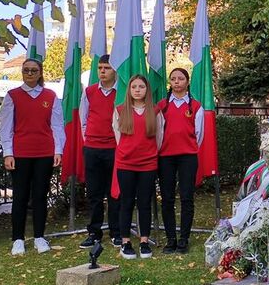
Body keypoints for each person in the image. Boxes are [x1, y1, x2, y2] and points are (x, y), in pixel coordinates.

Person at [0, 58, 64, 256]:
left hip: (44, 153)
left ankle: (39, 237)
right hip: (20, 154)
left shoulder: (50, 96)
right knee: (20, 196)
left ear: (40, 73)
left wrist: (58, 150)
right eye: (26, 70)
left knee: (40, 196)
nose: (29, 73)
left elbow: (57, 125)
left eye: (33, 70)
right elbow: (6, 126)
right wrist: (8, 153)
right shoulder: (12, 96)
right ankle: (18, 239)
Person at [113, 75, 164, 260]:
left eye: (141, 86)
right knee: (126, 202)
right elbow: (117, 135)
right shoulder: (120, 110)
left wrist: (148, 154)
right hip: (126, 163)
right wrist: (128, 152)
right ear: (129, 90)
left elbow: (159, 137)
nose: (137, 90)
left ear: (147, 90)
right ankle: (125, 242)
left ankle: (144, 241)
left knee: (144, 203)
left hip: (148, 164)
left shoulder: (155, 111)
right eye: (134, 86)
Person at [157, 68, 204, 254]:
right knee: (167, 198)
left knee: (186, 197)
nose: (177, 82)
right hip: (165, 157)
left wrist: (188, 148)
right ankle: (171, 239)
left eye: (181, 78)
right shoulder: (162, 106)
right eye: (173, 79)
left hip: (187, 157)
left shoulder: (196, 106)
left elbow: (199, 134)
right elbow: (158, 132)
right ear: (170, 82)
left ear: (187, 82)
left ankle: (184, 239)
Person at [78, 54, 121, 249]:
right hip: (93, 148)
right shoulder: (89, 92)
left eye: (107, 68)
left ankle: (116, 232)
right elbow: (83, 118)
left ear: (115, 71)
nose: (102, 71)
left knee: (115, 193)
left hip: (114, 149)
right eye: (100, 68)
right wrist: (89, 139)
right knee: (94, 193)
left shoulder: (122, 92)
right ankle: (94, 233)